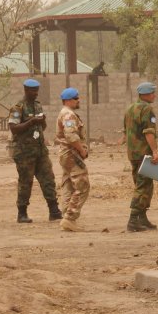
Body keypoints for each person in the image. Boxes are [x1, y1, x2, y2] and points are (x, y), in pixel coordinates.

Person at [8, 78, 62, 223]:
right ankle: (22, 213)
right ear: (26, 90)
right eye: (33, 90)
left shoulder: (38, 106)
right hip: (25, 152)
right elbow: (13, 128)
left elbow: (41, 128)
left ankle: (54, 210)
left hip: (40, 150)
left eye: (37, 90)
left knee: (48, 179)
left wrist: (42, 121)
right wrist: (31, 122)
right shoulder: (17, 108)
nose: (36, 93)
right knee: (26, 182)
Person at [123, 81, 158, 232]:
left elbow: (125, 132)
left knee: (145, 185)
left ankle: (142, 218)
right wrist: (155, 152)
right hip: (144, 153)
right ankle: (133, 219)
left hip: (133, 153)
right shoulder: (147, 109)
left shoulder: (130, 108)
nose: (154, 95)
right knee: (143, 186)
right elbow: (149, 132)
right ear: (145, 94)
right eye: (152, 93)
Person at [55, 87, 90, 232]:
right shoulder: (68, 115)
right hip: (71, 154)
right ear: (68, 100)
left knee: (68, 184)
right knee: (82, 185)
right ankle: (70, 217)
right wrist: (81, 150)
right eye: (76, 98)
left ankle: (66, 216)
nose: (78, 100)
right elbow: (70, 136)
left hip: (66, 154)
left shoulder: (66, 113)